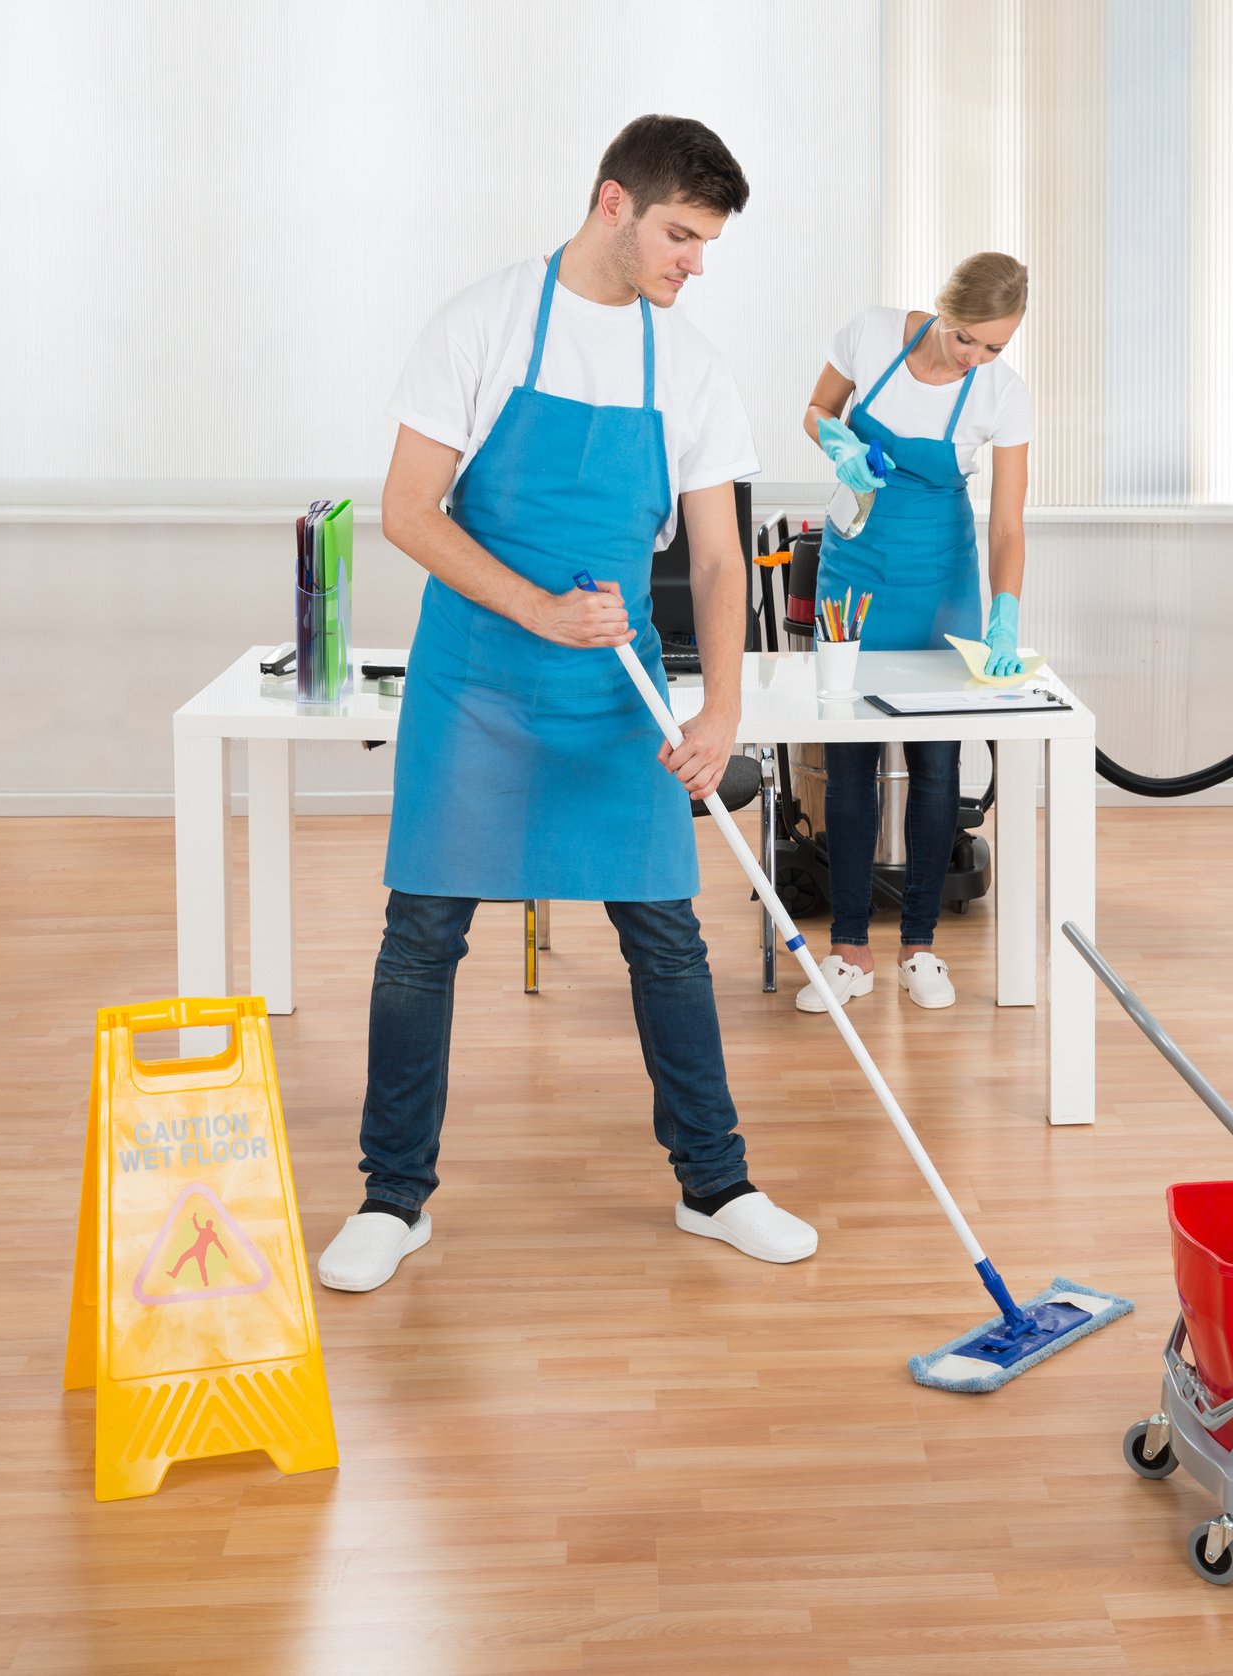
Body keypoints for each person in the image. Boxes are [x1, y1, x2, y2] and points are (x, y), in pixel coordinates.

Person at [316, 115, 817, 1293]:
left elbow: (713, 557)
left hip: (614, 691)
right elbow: (407, 509)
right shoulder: (481, 323)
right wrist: (536, 611)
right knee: (423, 934)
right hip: (477, 680)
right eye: (681, 236)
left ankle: (716, 1181)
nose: (696, 263)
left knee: (664, 935)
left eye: (707, 243)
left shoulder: (688, 364)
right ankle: (394, 1196)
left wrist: (722, 712)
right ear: (613, 205)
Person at [792, 253, 1035, 1015]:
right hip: (855, 565)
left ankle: (921, 947)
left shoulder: (1002, 393)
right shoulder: (871, 335)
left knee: (936, 764)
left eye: (996, 346)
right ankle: (849, 951)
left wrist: (1003, 608)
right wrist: (835, 445)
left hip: (941, 579)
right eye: (969, 341)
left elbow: (1007, 520)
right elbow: (817, 410)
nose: (979, 359)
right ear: (942, 311)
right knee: (851, 761)